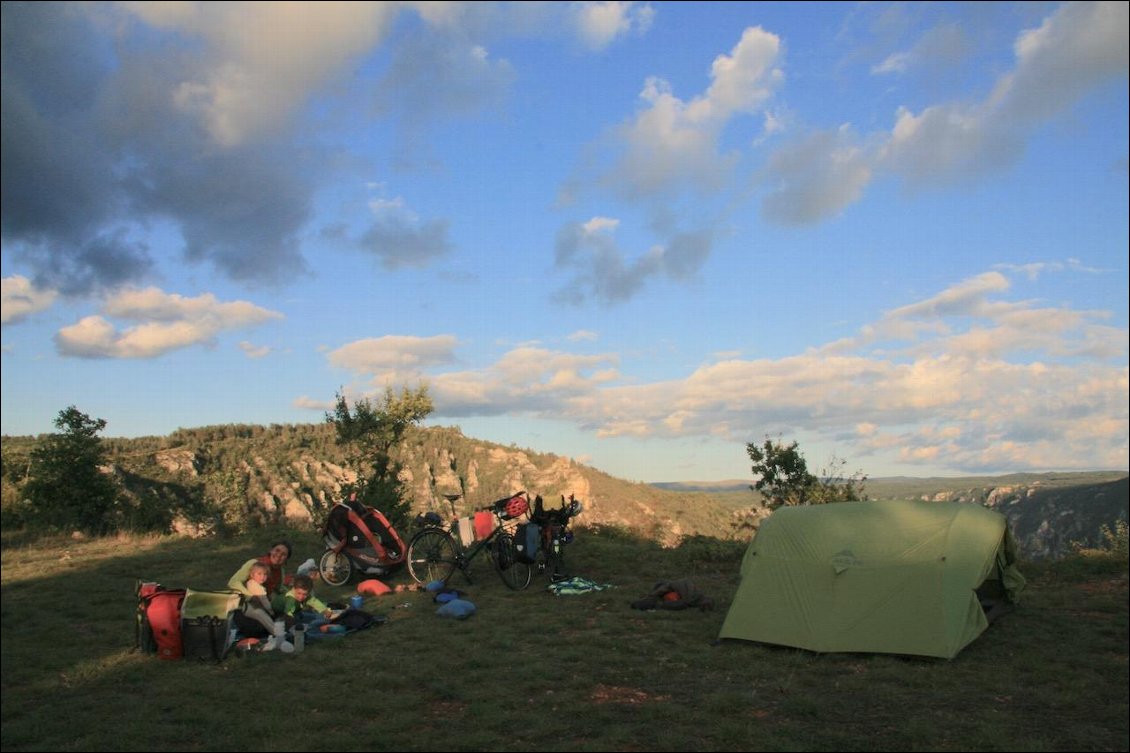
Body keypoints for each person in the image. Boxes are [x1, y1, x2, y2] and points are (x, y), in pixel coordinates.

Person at [228, 541, 295, 652]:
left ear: (286, 559)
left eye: (283, 554)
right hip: (245, 606)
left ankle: (277, 632)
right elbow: (233, 582)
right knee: (256, 629)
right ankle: (277, 636)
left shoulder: (280, 571)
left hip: (265, 605)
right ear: (271, 551)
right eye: (277, 550)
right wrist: (251, 596)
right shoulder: (254, 563)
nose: (278, 555)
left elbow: (279, 588)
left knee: (289, 616)